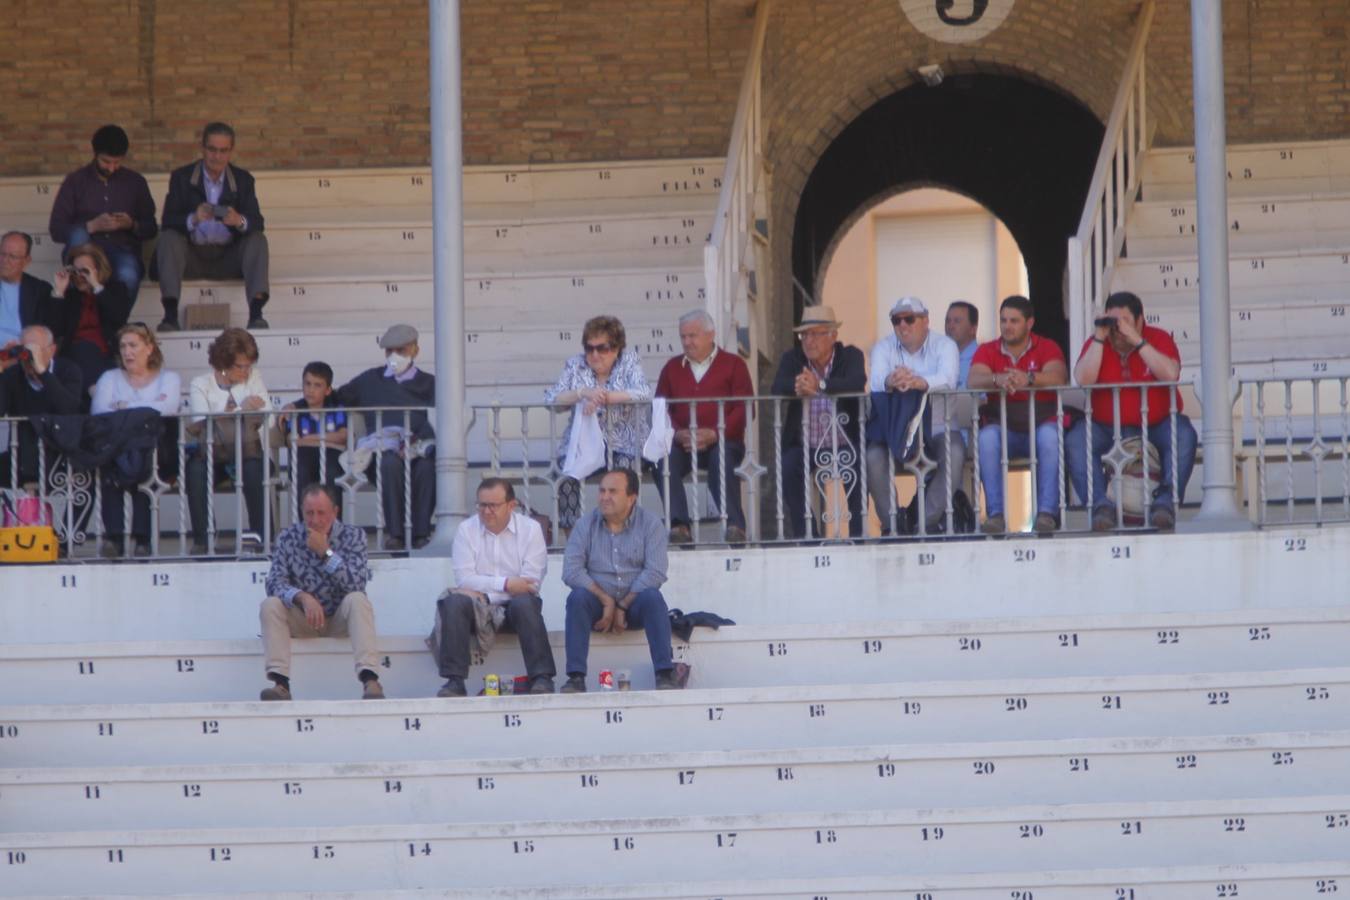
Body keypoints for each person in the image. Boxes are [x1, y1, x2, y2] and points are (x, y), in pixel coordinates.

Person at [1067, 290, 1197, 531]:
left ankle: (1165, 503)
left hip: (1156, 424)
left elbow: (1170, 374)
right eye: (1113, 321)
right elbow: (1082, 379)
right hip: (1106, 427)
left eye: (1124, 322)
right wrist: (1098, 338)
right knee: (1076, 438)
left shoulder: (1157, 338)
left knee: (1184, 433)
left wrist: (1137, 341)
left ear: (1140, 320)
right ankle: (1100, 506)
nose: (1118, 329)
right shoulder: (1098, 342)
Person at [260, 483, 383, 701]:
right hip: (304, 619)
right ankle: (281, 683)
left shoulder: (353, 536)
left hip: (339, 618)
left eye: (321, 513)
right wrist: (302, 597)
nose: (315, 520)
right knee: (270, 605)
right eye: (309, 513)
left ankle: (370, 679)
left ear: (335, 512)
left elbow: (356, 584)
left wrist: (326, 553)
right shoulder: (288, 538)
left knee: (357, 600)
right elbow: (274, 583)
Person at [436, 477, 557, 697]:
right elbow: (464, 579)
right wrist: (507, 583)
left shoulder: (530, 529)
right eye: (482, 505)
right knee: (454, 602)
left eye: (494, 505)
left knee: (524, 603)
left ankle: (541, 677)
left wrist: (486, 593)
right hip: (478, 607)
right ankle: (455, 681)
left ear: (512, 505)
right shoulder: (466, 529)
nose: (487, 511)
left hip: (515, 607)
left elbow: (530, 582)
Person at [560, 468, 678, 692]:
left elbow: (656, 572)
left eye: (613, 491)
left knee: (653, 597)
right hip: (597, 605)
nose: (604, 497)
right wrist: (606, 600)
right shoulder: (585, 524)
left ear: (631, 497)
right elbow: (571, 571)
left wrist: (622, 605)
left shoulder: (651, 524)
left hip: (635, 605)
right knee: (577, 598)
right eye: (602, 491)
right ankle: (575, 677)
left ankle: (664, 673)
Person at [969, 295, 1070, 535]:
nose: (1007, 326)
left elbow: (1059, 377)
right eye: (1003, 320)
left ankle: (1046, 514)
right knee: (986, 438)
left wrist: (1029, 379)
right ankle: (995, 515)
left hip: (1040, 424)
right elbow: (973, 379)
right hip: (1003, 428)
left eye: (1014, 321)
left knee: (1049, 436)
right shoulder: (987, 349)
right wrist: (997, 379)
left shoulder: (1047, 346)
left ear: (1030, 323)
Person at [155, 122, 269, 331]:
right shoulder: (181, 177)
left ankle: (256, 315)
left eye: (223, 150)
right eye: (212, 149)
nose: (217, 156)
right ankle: (170, 316)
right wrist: (193, 219)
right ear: (202, 148)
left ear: (231, 151)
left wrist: (239, 221)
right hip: (191, 257)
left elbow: (257, 222)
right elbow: (168, 221)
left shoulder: (243, 180)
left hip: (229, 257)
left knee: (257, 239)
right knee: (169, 238)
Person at [654, 309, 754, 544]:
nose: (687, 342)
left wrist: (716, 433)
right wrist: (678, 433)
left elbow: (745, 408)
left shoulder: (734, 365)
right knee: (662, 462)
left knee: (722, 462)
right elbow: (661, 408)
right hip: (683, 442)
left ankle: (735, 526)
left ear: (711, 335)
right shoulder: (671, 368)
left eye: (693, 335)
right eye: (683, 337)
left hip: (724, 441)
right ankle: (680, 525)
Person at [545, 315, 652, 532]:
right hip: (583, 443)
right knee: (566, 476)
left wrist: (608, 397)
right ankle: (573, 535)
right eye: (589, 348)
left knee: (622, 482)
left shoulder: (629, 361)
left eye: (602, 348)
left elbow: (643, 393)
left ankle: (621, 531)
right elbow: (551, 400)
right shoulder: (575, 365)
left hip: (623, 444)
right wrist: (582, 393)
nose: (594, 354)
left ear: (616, 348)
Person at [865, 297, 963, 534]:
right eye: (896, 320)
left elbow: (948, 379)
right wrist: (892, 380)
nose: (903, 325)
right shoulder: (883, 347)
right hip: (894, 424)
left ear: (926, 320)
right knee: (872, 458)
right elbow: (877, 381)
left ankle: (925, 520)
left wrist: (919, 382)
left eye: (909, 319)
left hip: (937, 422)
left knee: (955, 453)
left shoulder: (945, 345)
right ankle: (894, 524)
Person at [769, 305, 868, 539]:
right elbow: (777, 387)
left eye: (815, 334)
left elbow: (856, 382)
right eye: (804, 335)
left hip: (845, 441)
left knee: (858, 471)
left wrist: (820, 386)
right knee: (788, 468)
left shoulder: (851, 355)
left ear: (833, 336)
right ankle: (808, 536)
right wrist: (800, 385)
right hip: (805, 444)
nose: (808, 341)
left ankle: (857, 536)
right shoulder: (792, 358)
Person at [336, 323, 435, 550]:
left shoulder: (430, 384)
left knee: (427, 467)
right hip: (381, 453)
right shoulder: (370, 380)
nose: (394, 356)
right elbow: (337, 397)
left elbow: (440, 418)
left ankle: (421, 533)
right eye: (390, 351)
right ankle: (396, 535)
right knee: (389, 463)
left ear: (415, 351)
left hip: (418, 448)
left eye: (401, 350)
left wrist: (414, 441)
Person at [90, 323, 182, 556]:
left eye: (133, 345)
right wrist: (146, 410)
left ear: (149, 348)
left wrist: (122, 407)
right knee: (113, 466)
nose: (127, 351)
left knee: (143, 461)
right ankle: (115, 539)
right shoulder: (109, 377)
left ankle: (143, 540)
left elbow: (168, 408)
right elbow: (99, 410)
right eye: (123, 346)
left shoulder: (169, 378)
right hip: (115, 447)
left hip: (157, 448)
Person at [47, 125, 157, 304]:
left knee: (127, 273)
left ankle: (116, 324)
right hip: (85, 250)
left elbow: (150, 228)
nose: (112, 168)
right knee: (79, 235)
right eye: (106, 162)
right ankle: (79, 320)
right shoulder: (75, 181)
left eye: (117, 162)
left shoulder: (135, 182)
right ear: (95, 154)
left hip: (122, 251)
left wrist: (130, 225)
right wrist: (91, 226)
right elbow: (56, 229)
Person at [185, 328, 270, 554]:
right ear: (223, 362)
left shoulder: (254, 377)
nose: (245, 371)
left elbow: (268, 415)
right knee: (194, 470)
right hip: (214, 454)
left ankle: (262, 538)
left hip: (248, 450)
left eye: (248, 365)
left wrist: (227, 413)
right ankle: (204, 541)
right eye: (239, 366)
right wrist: (242, 408)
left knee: (254, 470)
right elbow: (201, 421)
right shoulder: (200, 383)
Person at [47, 243, 134, 401]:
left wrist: (96, 286)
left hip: (106, 353)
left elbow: (119, 318)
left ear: (98, 270)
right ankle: (96, 393)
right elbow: (54, 330)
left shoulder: (115, 290)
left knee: (90, 353)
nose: (80, 276)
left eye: (85, 271)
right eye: (75, 271)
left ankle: (97, 394)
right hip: (74, 356)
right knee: (83, 349)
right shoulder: (69, 297)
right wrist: (59, 292)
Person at [0, 325, 83, 487]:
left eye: (34, 350)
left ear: (51, 350)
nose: (29, 357)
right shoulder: (13, 375)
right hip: (22, 458)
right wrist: (1, 369)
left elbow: (69, 409)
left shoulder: (68, 370)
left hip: (59, 457)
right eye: (25, 351)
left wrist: (43, 373)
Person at [280, 361, 348, 509]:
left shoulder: (336, 407)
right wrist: (328, 438)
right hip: (304, 456)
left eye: (317, 385)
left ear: (328, 390)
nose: (311, 390)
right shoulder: (295, 410)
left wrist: (309, 438)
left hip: (332, 456)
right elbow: (293, 440)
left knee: (331, 472)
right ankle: (303, 528)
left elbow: (343, 436)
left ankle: (334, 528)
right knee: (301, 470)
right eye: (307, 384)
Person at [0, 232, 54, 364]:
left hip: (23, 355)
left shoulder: (39, 289)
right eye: (2, 254)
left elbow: (49, 331)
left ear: (26, 261)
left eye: (12, 256)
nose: (4, 260)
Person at [945, 300, 980, 389]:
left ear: (973, 329)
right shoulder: (940, 357)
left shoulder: (982, 359)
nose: (950, 326)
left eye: (957, 321)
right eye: (948, 321)